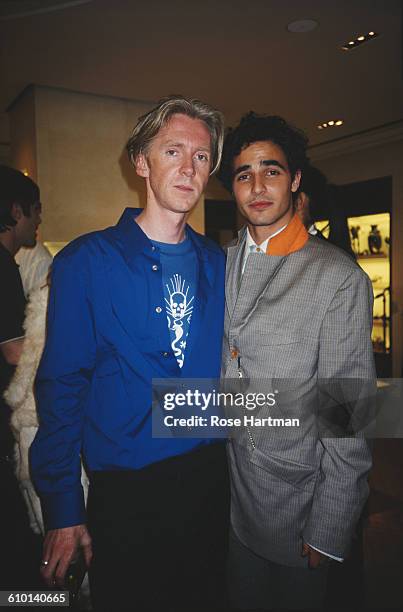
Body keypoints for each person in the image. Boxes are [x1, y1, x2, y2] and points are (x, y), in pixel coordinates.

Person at [30, 95, 229, 611]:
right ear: (141, 162)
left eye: (203, 156)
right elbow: (61, 387)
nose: (189, 167)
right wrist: (63, 509)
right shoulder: (86, 261)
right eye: (173, 151)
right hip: (128, 495)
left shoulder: (218, 261)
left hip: (210, 481)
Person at [217, 112, 375, 610]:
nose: (257, 186)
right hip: (232, 499)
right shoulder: (221, 262)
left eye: (272, 170)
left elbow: (345, 413)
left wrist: (330, 525)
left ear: (296, 179)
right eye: (244, 174)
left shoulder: (336, 278)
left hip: (297, 505)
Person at [0, 165, 42, 588]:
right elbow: (14, 350)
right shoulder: (3, 265)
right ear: (16, 211)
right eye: (35, 213)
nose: (38, 223)